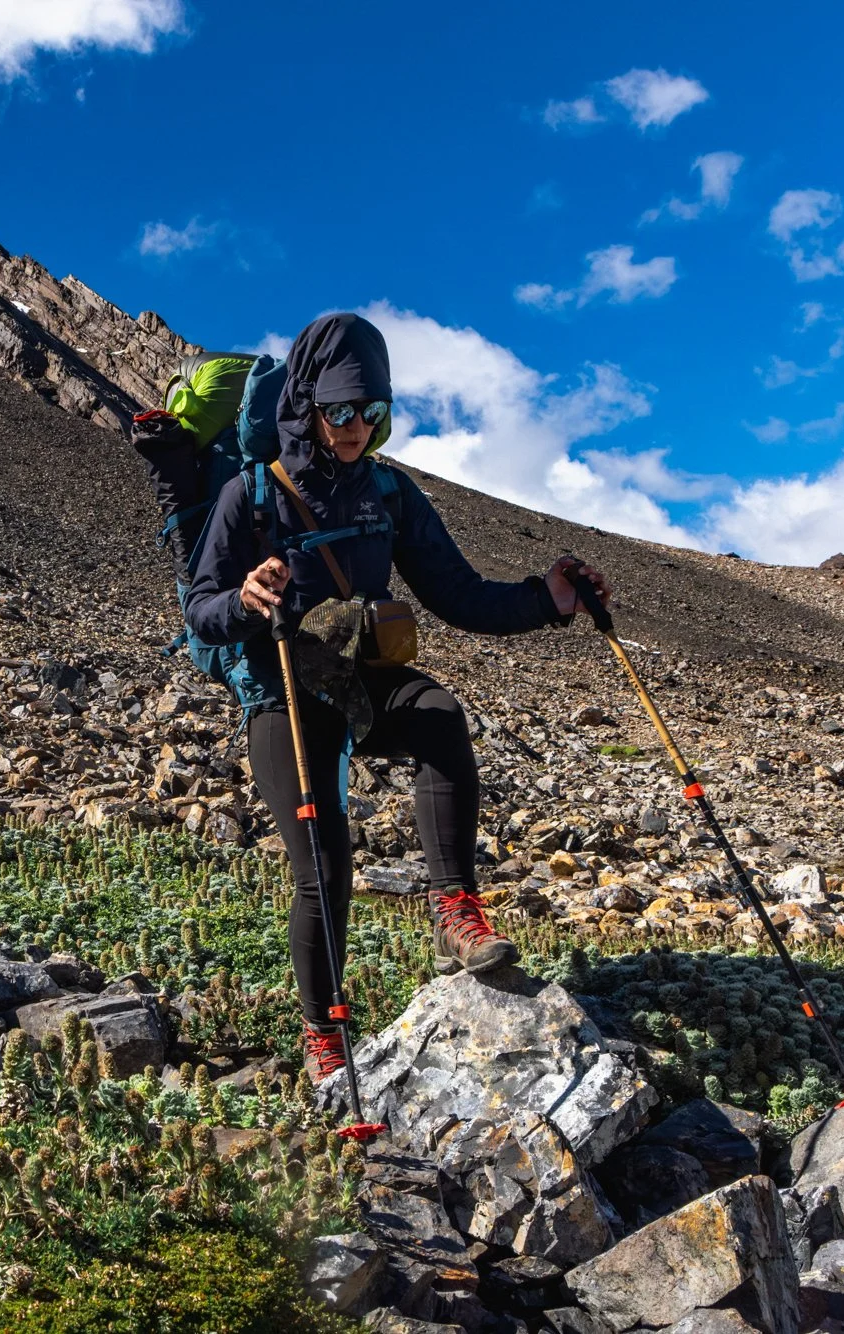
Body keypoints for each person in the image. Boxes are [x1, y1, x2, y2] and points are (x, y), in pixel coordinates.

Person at [183, 312, 613, 1099]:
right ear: (306, 403)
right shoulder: (249, 496)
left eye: (372, 412)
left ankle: (455, 913)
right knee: (325, 859)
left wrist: (547, 601)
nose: (355, 429)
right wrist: (244, 601)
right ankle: (325, 1036)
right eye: (341, 411)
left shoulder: (389, 493)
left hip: (363, 678)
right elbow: (200, 607)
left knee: (440, 716)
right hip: (281, 686)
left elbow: (458, 593)